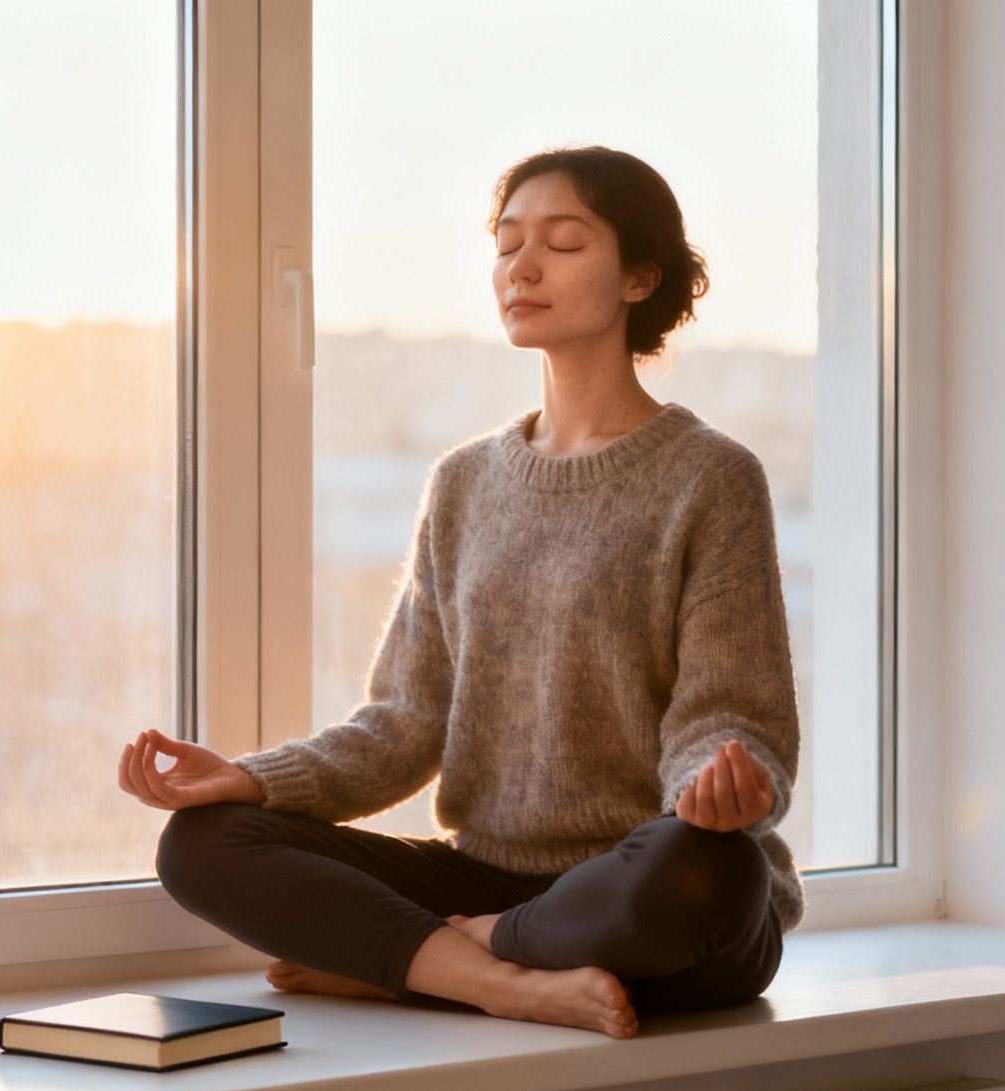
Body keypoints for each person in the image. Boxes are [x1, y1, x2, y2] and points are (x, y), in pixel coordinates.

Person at [117, 145, 803, 1040]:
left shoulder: (711, 477)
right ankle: (498, 982)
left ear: (641, 275)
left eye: (562, 243)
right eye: (508, 242)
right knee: (204, 845)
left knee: (710, 870)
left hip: (642, 888)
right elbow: (404, 724)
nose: (522, 266)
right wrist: (249, 777)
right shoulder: (465, 482)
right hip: (489, 873)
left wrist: (718, 792)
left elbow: (730, 715)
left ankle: (430, 960)